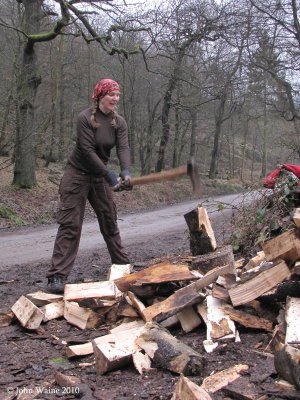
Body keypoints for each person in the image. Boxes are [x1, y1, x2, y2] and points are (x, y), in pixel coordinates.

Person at [46, 78, 131, 294]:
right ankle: (57, 277)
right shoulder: (85, 118)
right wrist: (109, 175)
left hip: (99, 175)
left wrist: (126, 171)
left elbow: (123, 148)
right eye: (111, 94)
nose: (115, 98)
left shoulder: (119, 122)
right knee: (70, 225)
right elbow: (86, 150)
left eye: (117, 95)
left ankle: (123, 268)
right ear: (101, 96)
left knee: (109, 221)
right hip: (77, 174)